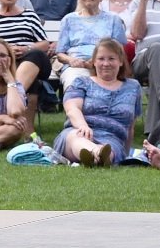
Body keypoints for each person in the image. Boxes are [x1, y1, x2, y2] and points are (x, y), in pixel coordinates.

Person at [54, 38, 139, 167]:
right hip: (79, 131)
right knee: (77, 138)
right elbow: (72, 109)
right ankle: (97, 154)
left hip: (112, 139)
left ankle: (97, 157)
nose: (106, 63)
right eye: (101, 59)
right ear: (93, 61)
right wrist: (83, 126)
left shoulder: (133, 87)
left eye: (111, 59)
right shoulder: (81, 82)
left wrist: (125, 154)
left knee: (110, 149)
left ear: (121, 61)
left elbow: (131, 125)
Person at [55, 0, 126, 90]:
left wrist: (96, 61)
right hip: (77, 67)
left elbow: (120, 51)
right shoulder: (69, 19)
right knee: (75, 82)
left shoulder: (113, 19)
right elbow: (60, 54)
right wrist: (71, 60)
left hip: (106, 66)